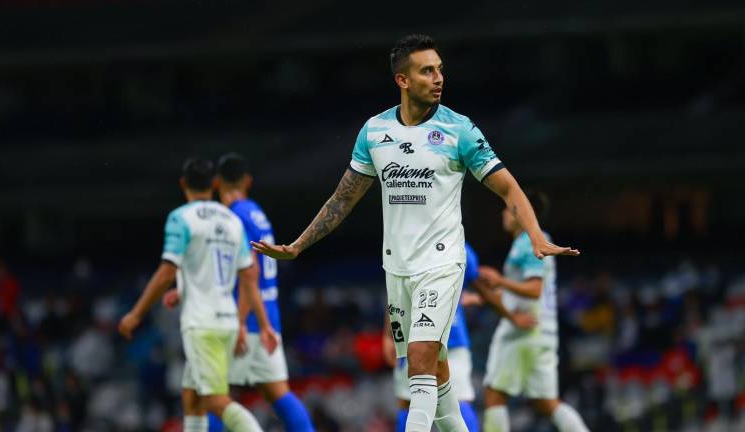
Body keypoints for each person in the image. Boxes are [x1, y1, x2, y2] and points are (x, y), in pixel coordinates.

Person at [253, 34, 579, 432]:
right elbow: (342, 200)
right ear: (403, 80)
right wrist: (298, 246)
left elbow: (509, 187)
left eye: (440, 69)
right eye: (427, 71)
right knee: (436, 375)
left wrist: (535, 236)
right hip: (397, 268)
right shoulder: (375, 132)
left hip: (441, 263)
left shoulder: (459, 130)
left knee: (420, 362)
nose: (438, 78)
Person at [118, 158, 275, 432]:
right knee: (192, 397)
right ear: (214, 184)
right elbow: (249, 275)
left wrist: (136, 313)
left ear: (183, 184)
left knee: (215, 401)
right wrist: (253, 323)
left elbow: (167, 271)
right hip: (227, 321)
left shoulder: (181, 218)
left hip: (202, 324)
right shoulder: (231, 220)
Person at [164, 153, 314, 431]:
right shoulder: (257, 213)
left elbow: (248, 273)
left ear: (216, 183)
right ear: (248, 181)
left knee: (209, 395)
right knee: (278, 393)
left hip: (241, 318)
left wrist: (241, 321)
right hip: (268, 317)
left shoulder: (233, 217)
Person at [384, 242, 537, 432]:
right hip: (440, 336)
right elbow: (397, 291)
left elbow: (397, 291)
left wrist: (389, 334)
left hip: (425, 336)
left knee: (414, 401)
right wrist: (389, 334)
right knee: (445, 399)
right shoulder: (455, 245)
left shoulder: (418, 243)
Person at [476, 192, 590, 432]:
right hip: (543, 330)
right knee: (546, 403)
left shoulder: (528, 242)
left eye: (508, 208)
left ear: (522, 211)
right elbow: (524, 290)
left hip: (522, 330)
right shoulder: (537, 239)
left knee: (495, 394)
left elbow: (534, 289)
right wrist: (481, 297)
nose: (503, 213)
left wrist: (500, 281)